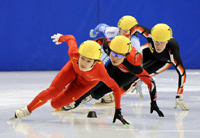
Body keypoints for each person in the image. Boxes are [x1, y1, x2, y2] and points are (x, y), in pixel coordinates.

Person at [12, 33, 129, 125]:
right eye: (82, 58)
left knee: (55, 104)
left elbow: (115, 87)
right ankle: (28, 109)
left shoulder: (100, 72)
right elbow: (70, 38)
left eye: (88, 61)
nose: (83, 63)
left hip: (84, 84)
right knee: (53, 91)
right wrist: (61, 38)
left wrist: (118, 109)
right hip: (72, 70)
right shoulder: (74, 54)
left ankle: (66, 92)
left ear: (96, 61)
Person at [61, 35, 164, 117]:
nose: (115, 57)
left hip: (126, 76)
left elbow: (151, 82)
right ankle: (75, 101)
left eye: (119, 55)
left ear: (126, 55)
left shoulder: (133, 64)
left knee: (97, 93)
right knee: (96, 81)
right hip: (113, 68)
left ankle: (104, 97)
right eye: (113, 53)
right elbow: (99, 41)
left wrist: (153, 102)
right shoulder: (108, 46)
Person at [127, 23, 189, 110]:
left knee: (138, 76)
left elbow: (182, 73)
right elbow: (136, 27)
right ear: (151, 37)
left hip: (163, 61)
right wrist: (126, 39)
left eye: (162, 43)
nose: (159, 46)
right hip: (149, 52)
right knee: (128, 66)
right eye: (156, 42)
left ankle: (117, 92)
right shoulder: (149, 34)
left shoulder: (172, 49)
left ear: (167, 41)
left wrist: (179, 95)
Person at [89, 15, 143, 99]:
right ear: (119, 29)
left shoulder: (134, 42)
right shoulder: (112, 31)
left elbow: (137, 63)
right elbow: (101, 27)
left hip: (123, 63)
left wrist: (139, 80)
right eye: (125, 31)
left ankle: (113, 95)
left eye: (131, 31)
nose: (127, 34)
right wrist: (94, 32)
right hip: (111, 56)